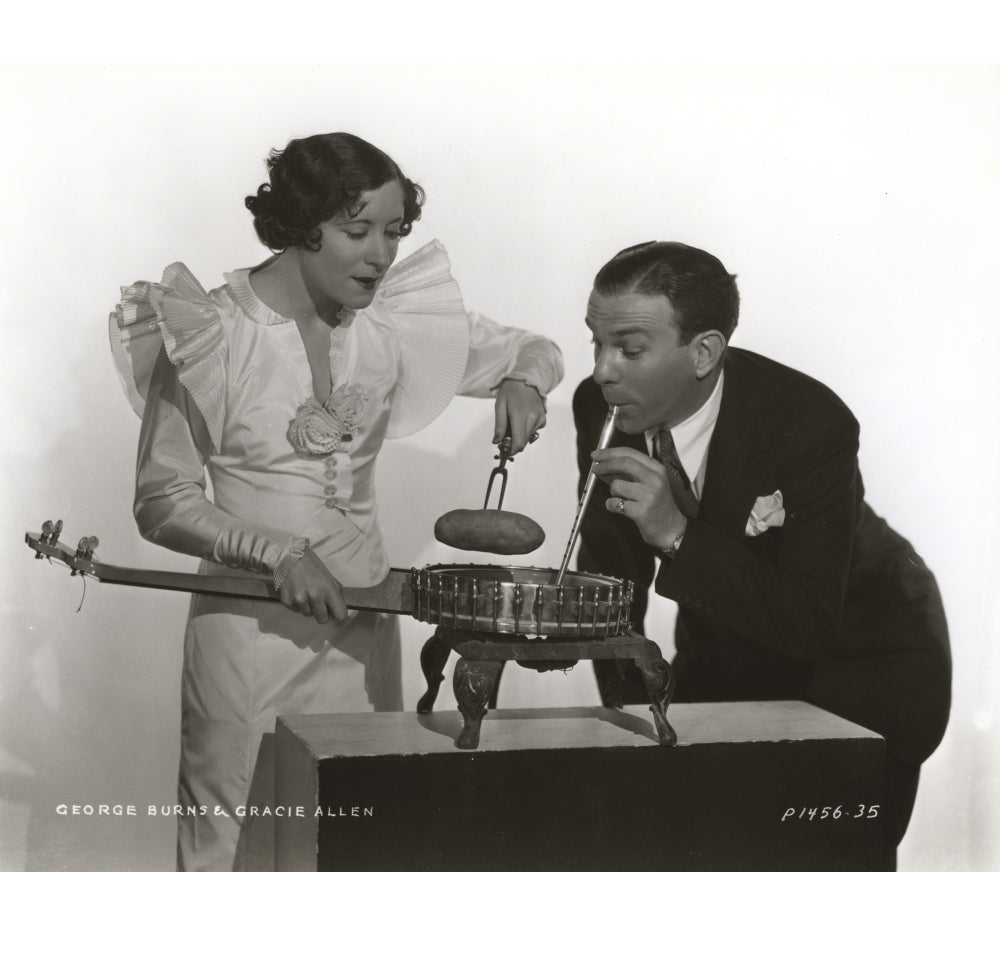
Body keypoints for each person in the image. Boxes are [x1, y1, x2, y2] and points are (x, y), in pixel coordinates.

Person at [109, 132, 564, 871]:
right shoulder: (213, 332)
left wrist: (525, 380)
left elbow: (535, 347)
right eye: (357, 232)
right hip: (249, 643)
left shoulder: (386, 320)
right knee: (235, 853)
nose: (380, 255)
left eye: (392, 232)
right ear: (300, 226)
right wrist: (277, 551)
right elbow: (160, 499)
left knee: (355, 845)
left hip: (364, 631)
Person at [573, 240, 950, 868]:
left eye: (630, 349)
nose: (604, 369)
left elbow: (805, 617)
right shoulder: (604, 406)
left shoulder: (810, 419)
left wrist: (676, 533)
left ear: (705, 352)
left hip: (861, 665)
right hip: (732, 651)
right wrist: (632, 714)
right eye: (596, 342)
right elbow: (615, 574)